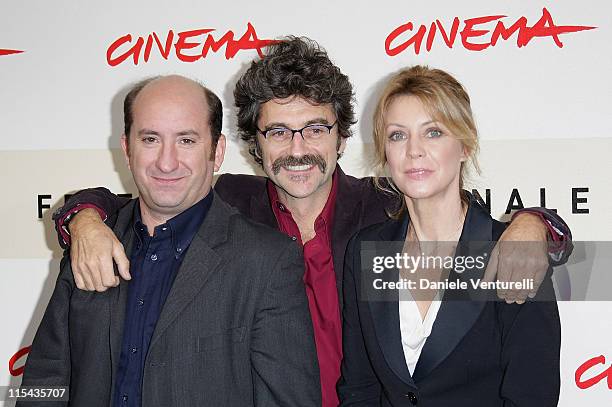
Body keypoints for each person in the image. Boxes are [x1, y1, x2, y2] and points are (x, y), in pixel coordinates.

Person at [51, 38, 570, 406]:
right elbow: (139, 196)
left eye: (315, 129)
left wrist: (534, 223)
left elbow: (461, 211)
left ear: (342, 138)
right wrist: (86, 220)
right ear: (252, 148)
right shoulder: (224, 203)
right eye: (278, 132)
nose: (298, 150)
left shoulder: (381, 211)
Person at [19, 75, 320, 407]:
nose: (166, 161)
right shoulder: (90, 240)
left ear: (216, 152)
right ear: (127, 149)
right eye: (150, 139)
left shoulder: (266, 261)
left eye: (186, 141)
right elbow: (44, 383)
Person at [338, 66, 560, 406]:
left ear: (465, 146)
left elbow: (531, 396)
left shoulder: (513, 251)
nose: (414, 150)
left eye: (434, 133)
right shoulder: (365, 251)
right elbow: (359, 387)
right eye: (398, 135)